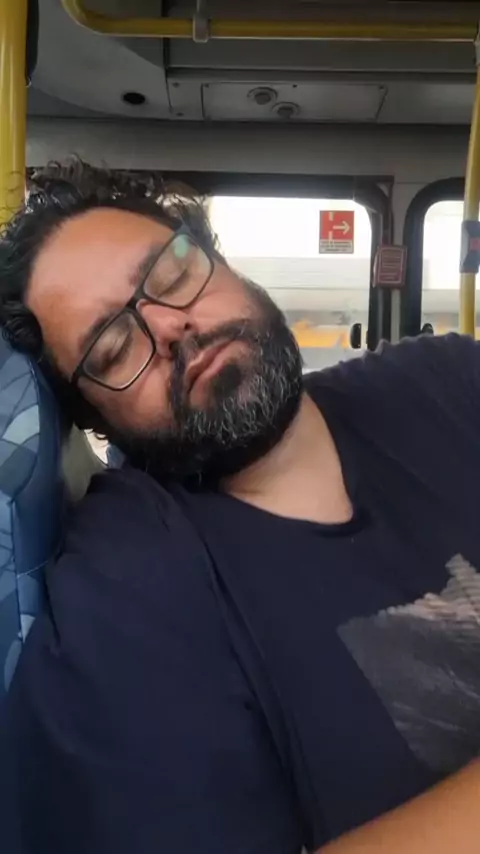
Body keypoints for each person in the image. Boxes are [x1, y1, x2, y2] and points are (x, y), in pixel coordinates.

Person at [0, 160, 480, 854]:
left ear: (218, 259)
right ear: (97, 419)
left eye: (170, 275)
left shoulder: (448, 381)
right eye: (113, 347)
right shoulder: (126, 593)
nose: (172, 327)